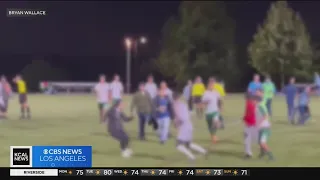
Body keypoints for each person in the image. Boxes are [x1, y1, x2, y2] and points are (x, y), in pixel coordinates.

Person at [172, 92, 207, 163]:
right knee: (188, 144)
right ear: (178, 98)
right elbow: (187, 114)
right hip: (189, 125)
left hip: (184, 126)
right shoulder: (183, 105)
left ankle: (191, 156)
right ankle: (204, 151)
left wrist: (176, 123)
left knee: (178, 145)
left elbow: (179, 117)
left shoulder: (175, 106)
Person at [256, 89, 274, 160]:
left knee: (262, 143)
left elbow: (265, 115)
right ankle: (262, 154)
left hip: (265, 127)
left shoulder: (260, 106)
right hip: (261, 127)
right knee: (260, 142)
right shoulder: (257, 106)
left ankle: (271, 157)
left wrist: (259, 123)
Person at [243, 93, 257, 159]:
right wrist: (245, 117)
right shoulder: (252, 103)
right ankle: (248, 152)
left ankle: (248, 153)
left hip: (249, 124)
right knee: (250, 138)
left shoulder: (249, 104)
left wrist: (245, 118)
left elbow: (249, 114)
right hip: (252, 123)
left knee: (247, 139)